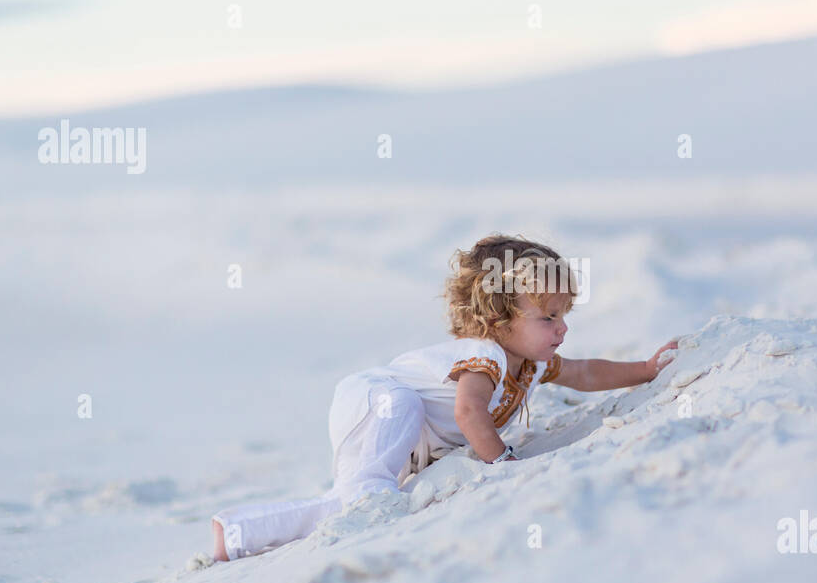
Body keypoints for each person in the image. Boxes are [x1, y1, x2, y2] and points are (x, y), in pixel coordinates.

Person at [210, 234, 678, 562]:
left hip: (406, 432)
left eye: (564, 314)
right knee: (368, 489)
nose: (563, 328)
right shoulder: (485, 356)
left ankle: (236, 534)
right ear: (498, 321)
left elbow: (583, 370)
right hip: (379, 402)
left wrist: (645, 370)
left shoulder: (531, 364)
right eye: (548, 317)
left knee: (358, 501)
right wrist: (503, 463)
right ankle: (238, 531)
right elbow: (469, 410)